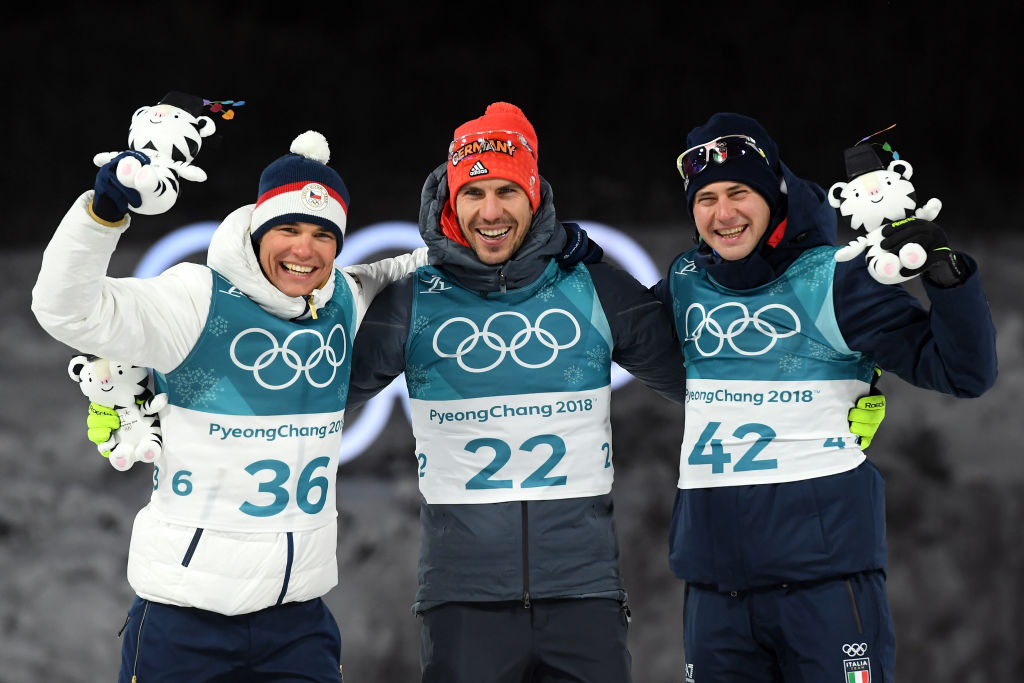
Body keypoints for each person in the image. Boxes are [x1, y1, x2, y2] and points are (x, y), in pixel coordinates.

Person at [31, 130, 427, 682]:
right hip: (184, 621)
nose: (303, 249)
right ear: (258, 229)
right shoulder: (196, 299)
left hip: (298, 624)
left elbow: (414, 268)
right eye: (287, 229)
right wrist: (104, 211)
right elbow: (65, 310)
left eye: (322, 234)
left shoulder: (343, 297)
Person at [347, 102, 688, 682]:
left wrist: (844, 375)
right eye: (474, 193)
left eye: (507, 191)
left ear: (534, 196)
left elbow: (711, 379)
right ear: (450, 201)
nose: (490, 210)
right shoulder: (412, 302)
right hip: (463, 601)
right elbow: (307, 396)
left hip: (584, 595)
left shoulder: (594, 288)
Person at [654, 112, 997, 682]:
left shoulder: (836, 279)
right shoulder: (685, 283)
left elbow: (965, 373)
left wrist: (948, 278)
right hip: (715, 594)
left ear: (774, 194)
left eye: (739, 192)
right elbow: (612, 336)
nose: (724, 213)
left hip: (825, 587)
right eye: (706, 198)